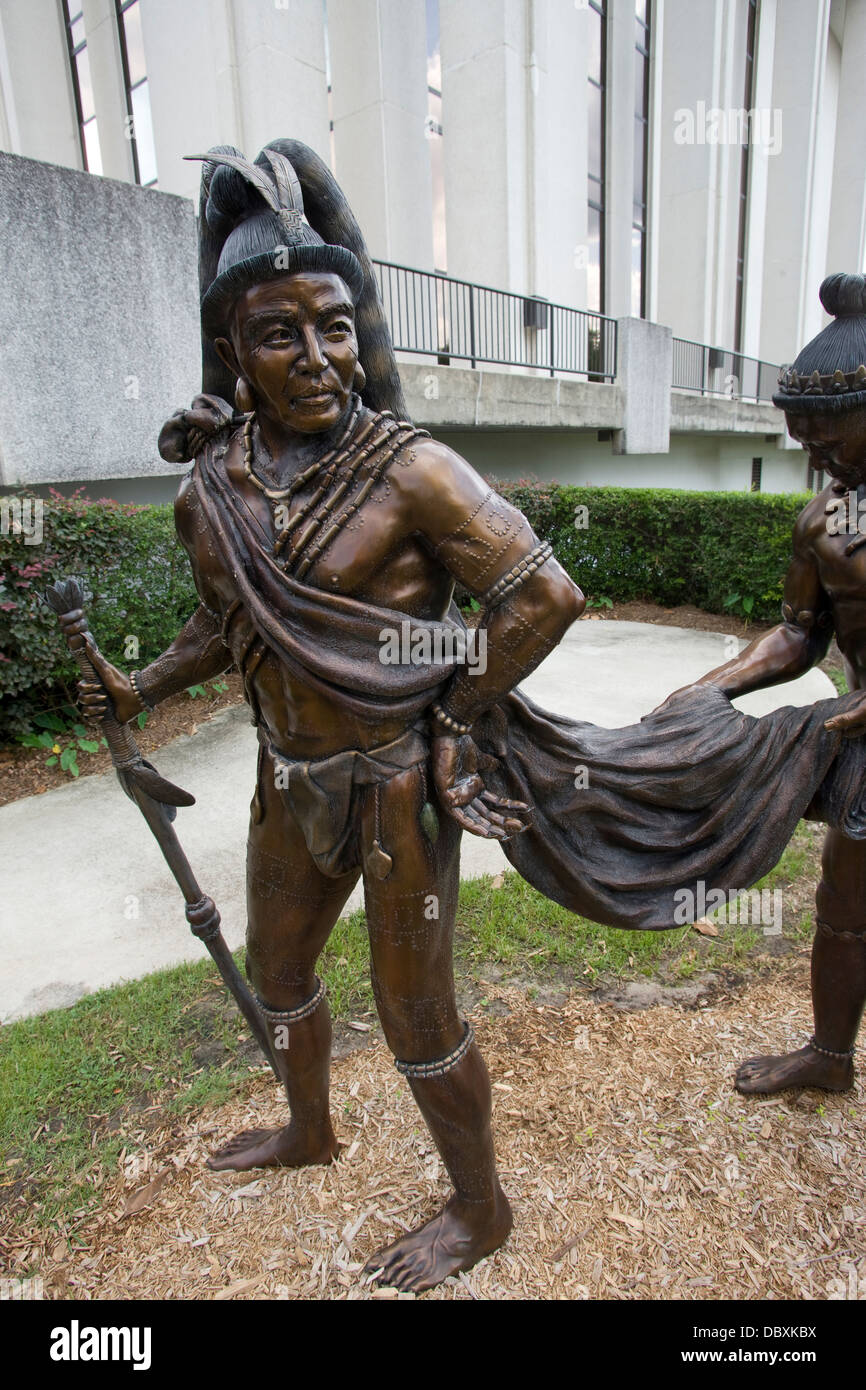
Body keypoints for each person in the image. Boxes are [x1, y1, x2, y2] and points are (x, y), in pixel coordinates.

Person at [70, 140, 585, 1294]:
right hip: (287, 777)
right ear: (231, 350)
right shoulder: (214, 488)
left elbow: (543, 596)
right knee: (279, 969)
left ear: (359, 331)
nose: (314, 357)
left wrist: (453, 703)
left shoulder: (414, 471)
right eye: (278, 333)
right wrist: (143, 688)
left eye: (334, 326)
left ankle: (479, 1206)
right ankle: (309, 1128)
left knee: (416, 1016)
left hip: (398, 785)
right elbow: (227, 625)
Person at [659, 272, 866, 1096]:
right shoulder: (825, 520)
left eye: (834, 441)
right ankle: (829, 1055)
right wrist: (713, 687)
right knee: (845, 899)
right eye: (806, 444)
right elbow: (797, 634)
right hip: (861, 745)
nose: (818, 461)